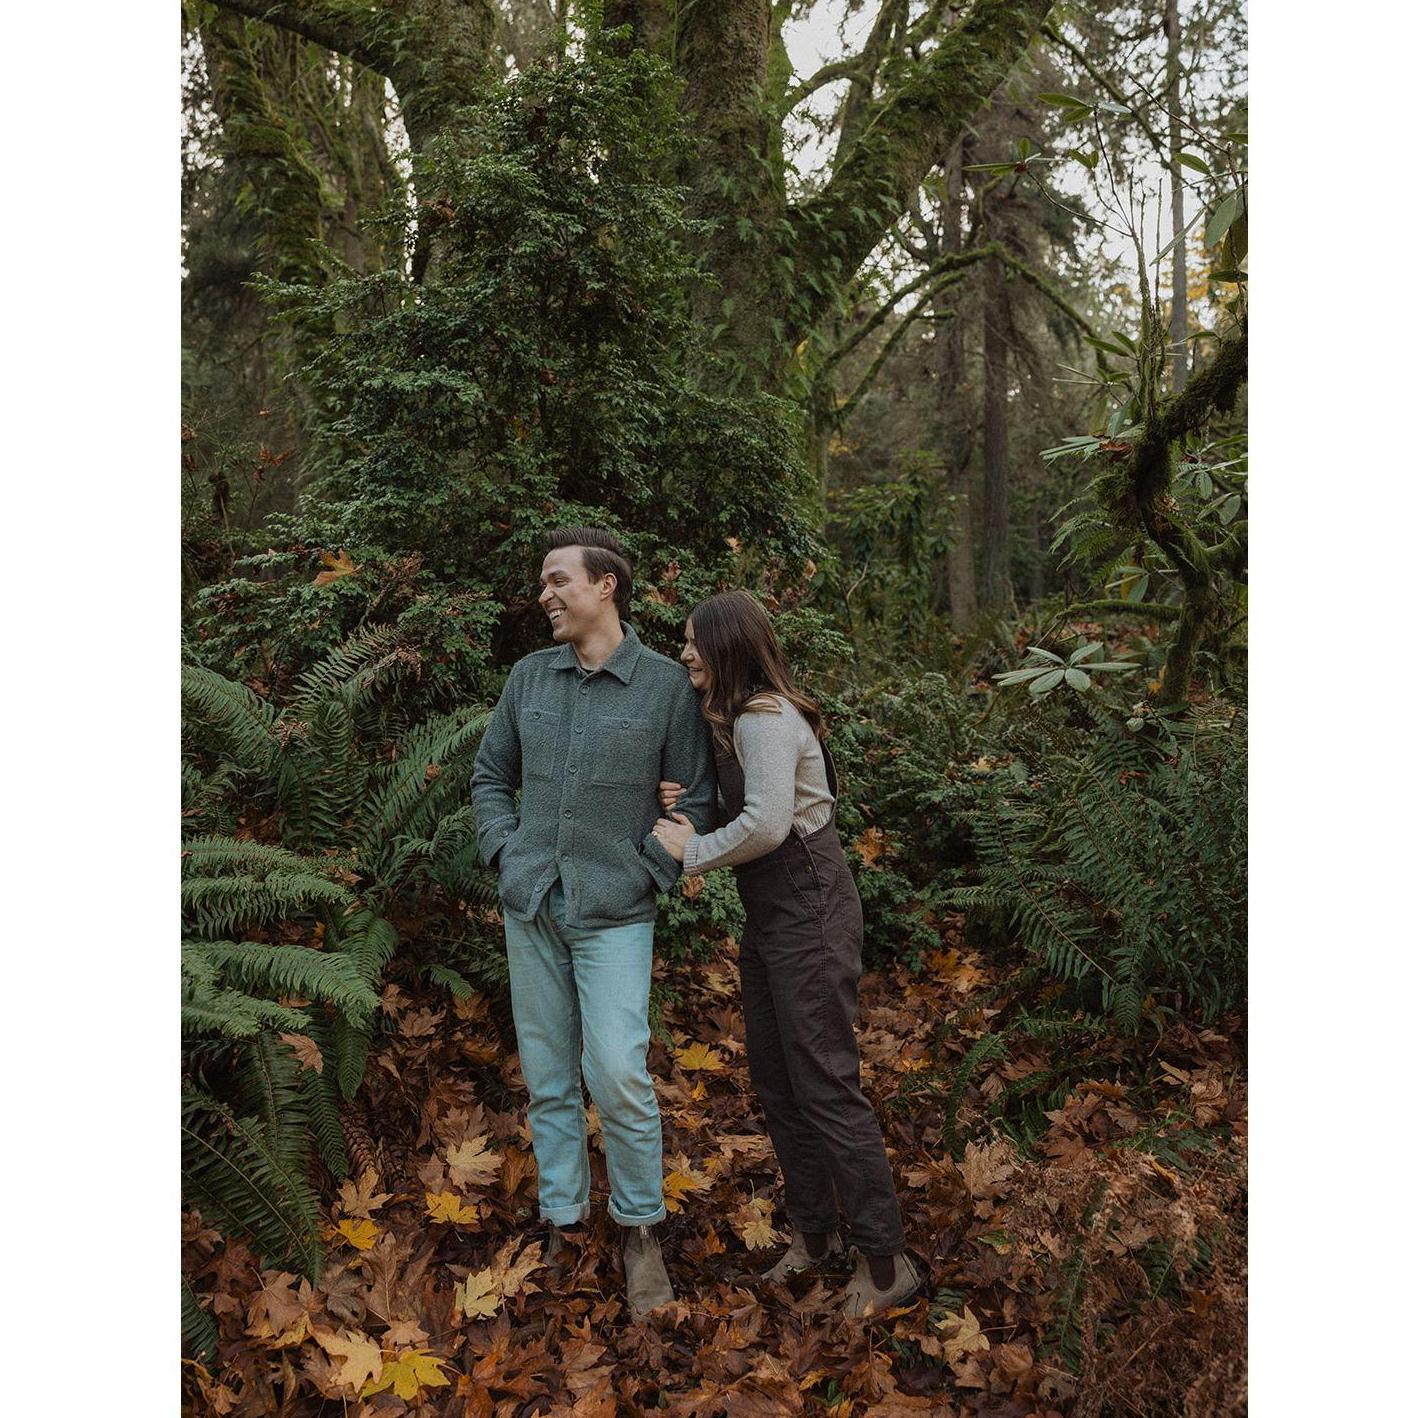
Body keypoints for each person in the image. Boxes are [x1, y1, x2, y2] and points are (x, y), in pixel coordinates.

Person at [651, 589, 922, 1318]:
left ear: (726, 645)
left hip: (808, 900)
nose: (684, 654)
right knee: (777, 1082)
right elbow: (743, 805)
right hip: (772, 912)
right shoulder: (739, 721)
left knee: (825, 1083)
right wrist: (685, 800)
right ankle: (816, 1236)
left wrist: (691, 853)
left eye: (692, 643)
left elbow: (769, 826)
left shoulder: (768, 718)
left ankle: (886, 1260)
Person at [471, 527, 715, 1320]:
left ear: (606, 586)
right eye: (543, 583)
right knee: (546, 1073)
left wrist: (649, 868)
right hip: (533, 903)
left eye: (557, 580)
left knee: (617, 1072)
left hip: (616, 912)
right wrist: (505, 853)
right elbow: (488, 776)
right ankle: (563, 1218)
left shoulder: (665, 688)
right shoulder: (528, 679)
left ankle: (640, 1229)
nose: (545, 594)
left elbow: (698, 801)